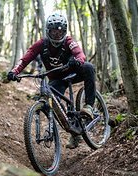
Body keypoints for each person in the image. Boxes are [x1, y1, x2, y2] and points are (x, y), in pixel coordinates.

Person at [7, 13, 96, 149]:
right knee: (53, 103)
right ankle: (75, 132)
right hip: (56, 78)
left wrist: (77, 61)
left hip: (73, 72)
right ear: (48, 31)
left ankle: (89, 105)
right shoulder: (41, 44)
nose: (57, 35)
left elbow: (80, 54)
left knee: (89, 67)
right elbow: (26, 58)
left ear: (64, 31)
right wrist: (15, 71)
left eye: (60, 31)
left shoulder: (69, 42)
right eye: (54, 31)